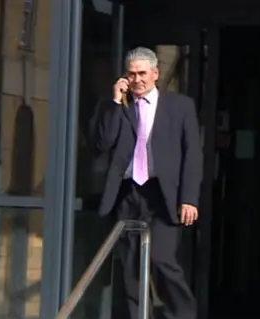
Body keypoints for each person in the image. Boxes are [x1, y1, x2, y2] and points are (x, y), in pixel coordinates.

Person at [94, 47, 202, 319]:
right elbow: (102, 142)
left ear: (155, 73)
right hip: (128, 193)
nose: (137, 79)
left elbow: (193, 155)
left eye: (142, 73)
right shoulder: (118, 105)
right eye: (131, 74)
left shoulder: (180, 106)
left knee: (162, 260)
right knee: (130, 268)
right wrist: (116, 103)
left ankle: (182, 315)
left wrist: (189, 198)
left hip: (162, 194)